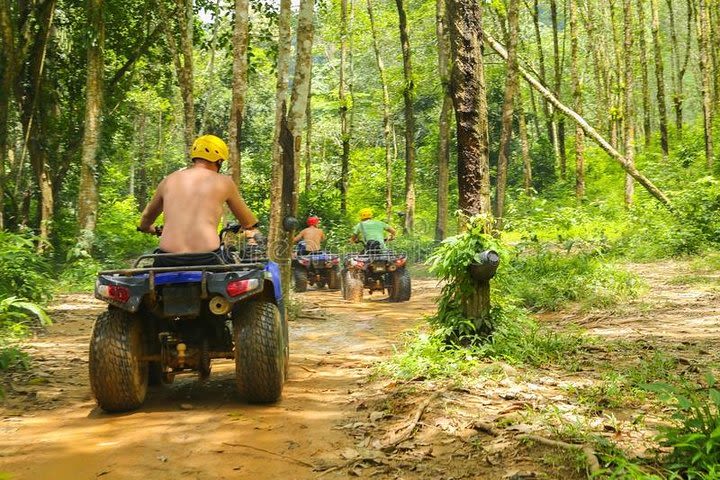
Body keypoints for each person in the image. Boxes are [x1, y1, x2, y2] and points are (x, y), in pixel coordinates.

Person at [138, 134, 259, 266]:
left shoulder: (169, 180)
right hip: (207, 258)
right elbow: (248, 223)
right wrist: (252, 232)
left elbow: (146, 220)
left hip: (167, 260)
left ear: (195, 157)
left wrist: (151, 229)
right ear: (219, 161)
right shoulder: (224, 182)